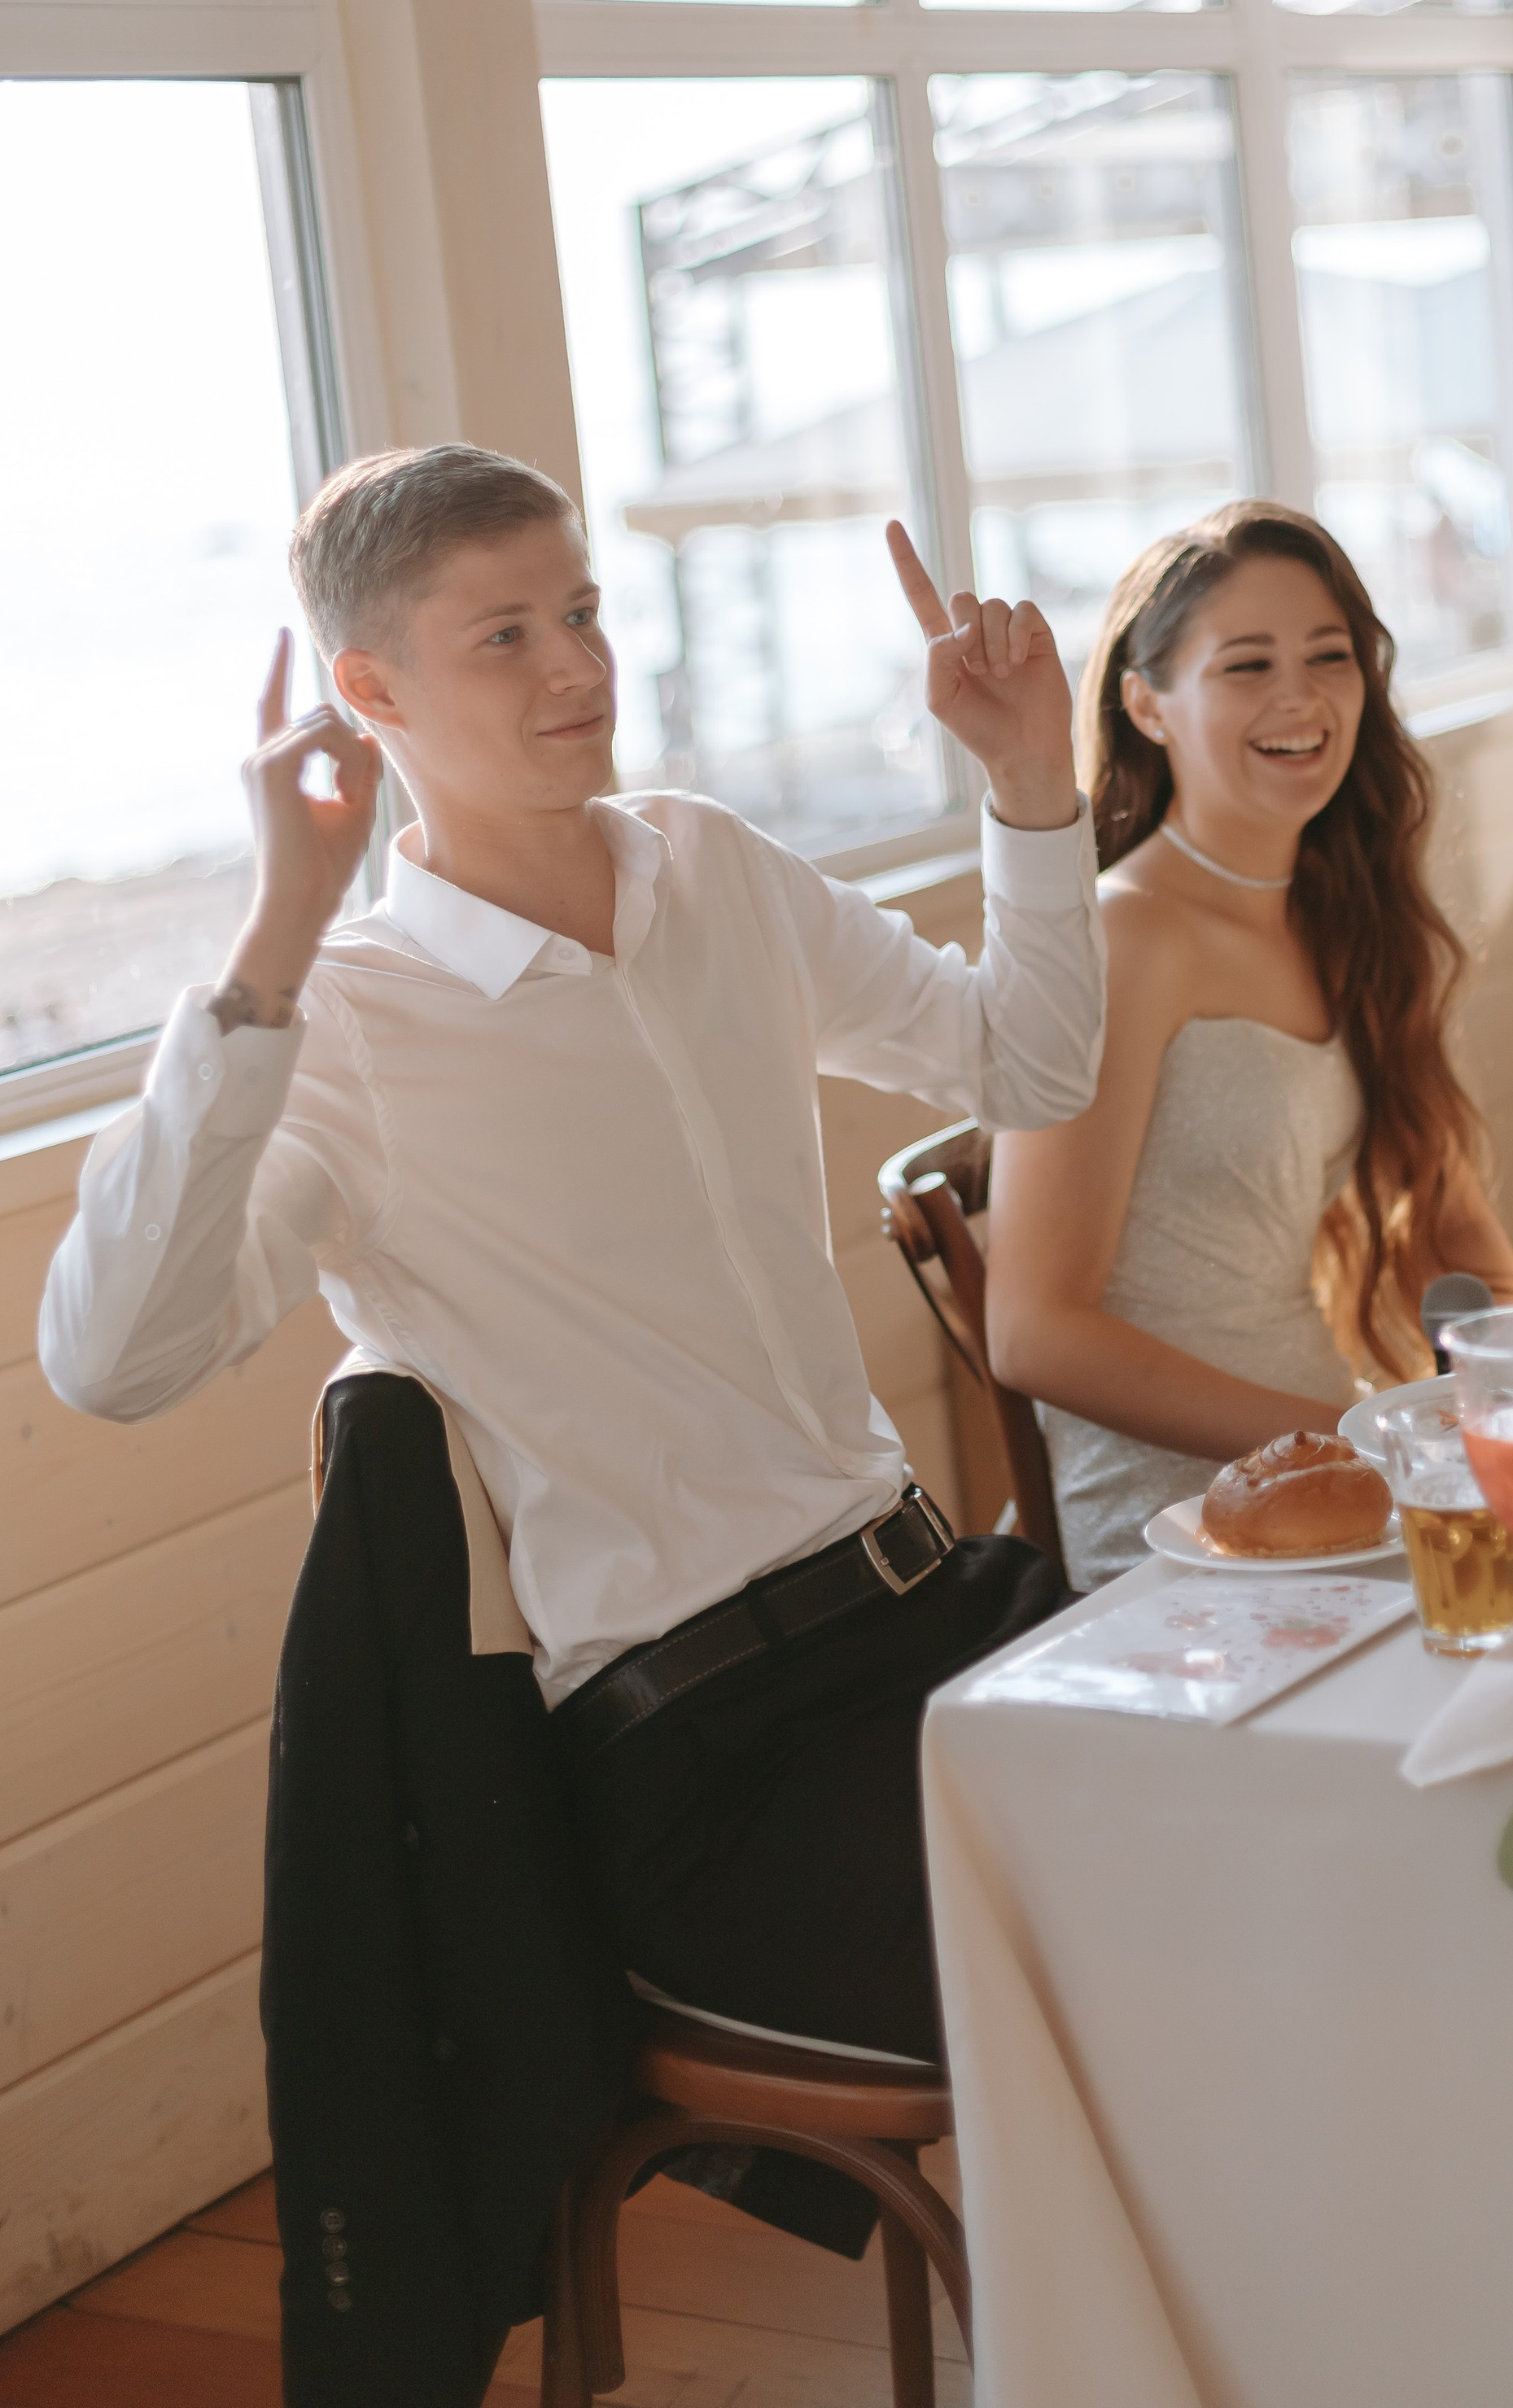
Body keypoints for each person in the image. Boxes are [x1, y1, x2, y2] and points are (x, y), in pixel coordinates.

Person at [41, 444, 1102, 2124]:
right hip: (712, 1755)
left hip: (935, 1613)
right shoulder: (345, 1023)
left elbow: (1028, 1065)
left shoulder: (713, 867)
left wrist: (1031, 777)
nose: (578, 667)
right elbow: (112, 1360)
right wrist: (273, 939)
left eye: (585, 612)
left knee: (1289, 1805)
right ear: (368, 692)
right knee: (1160, 1947)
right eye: (507, 636)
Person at [986, 500, 1513, 1590]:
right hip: (1185, 1527)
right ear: (1147, 704)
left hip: (1344, 1482)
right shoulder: (1123, 939)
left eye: (1331, 656)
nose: (1301, 697)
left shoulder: (1339, 920)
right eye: (1247, 666)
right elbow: (1033, 1333)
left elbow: (1454, 1228)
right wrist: (1358, 1442)